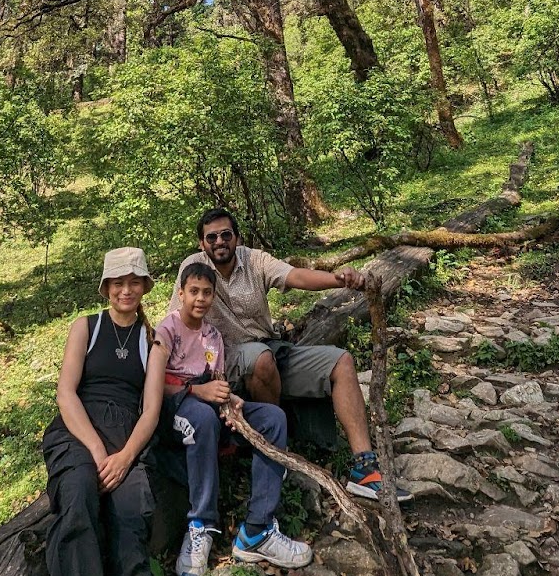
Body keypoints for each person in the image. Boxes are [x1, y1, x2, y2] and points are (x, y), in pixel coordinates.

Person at [170, 210, 413, 504]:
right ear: (201, 243)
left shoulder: (254, 259)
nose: (219, 241)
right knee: (260, 358)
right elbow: (178, 318)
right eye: (212, 237)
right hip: (225, 358)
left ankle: (365, 469)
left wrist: (338, 280)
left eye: (226, 235)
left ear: (237, 237)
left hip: (272, 348)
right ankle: (274, 452)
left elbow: (294, 275)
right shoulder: (194, 268)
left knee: (340, 362)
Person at [42, 247, 174, 576]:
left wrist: (123, 457)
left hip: (129, 439)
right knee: (75, 506)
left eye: (133, 281)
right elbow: (66, 394)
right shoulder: (86, 328)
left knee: (128, 527)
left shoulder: (153, 342)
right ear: (105, 288)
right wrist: (98, 452)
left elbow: (152, 410)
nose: (125, 290)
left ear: (144, 286)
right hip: (79, 435)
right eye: (116, 282)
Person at [156, 259, 312, 576]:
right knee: (201, 416)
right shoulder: (167, 330)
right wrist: (197, 391)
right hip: (176, 411)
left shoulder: (213, 337)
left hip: (212, 409)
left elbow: (218, 379)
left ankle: (258, 529)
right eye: (193, 292)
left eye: (207, 293)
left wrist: (231, 401)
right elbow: (156, 383)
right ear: (181, 293)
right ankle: (200, 524)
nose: (200, 299)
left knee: (272, 418)